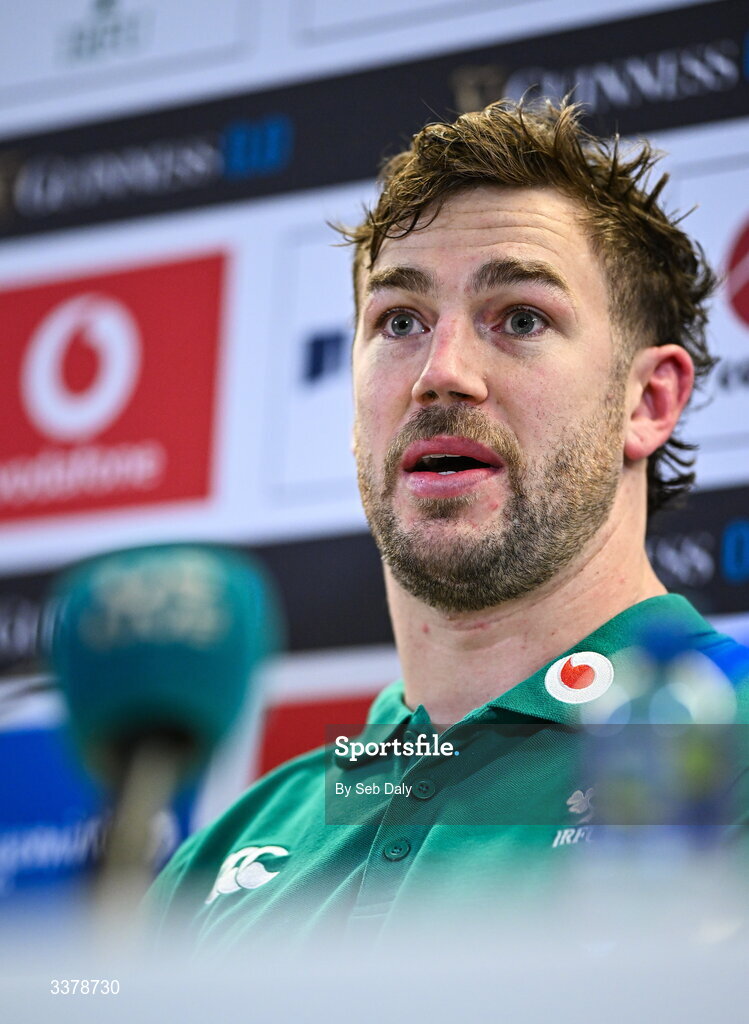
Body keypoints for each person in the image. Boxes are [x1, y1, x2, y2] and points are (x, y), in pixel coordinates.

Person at [148, 98, 749, 950]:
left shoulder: (730, 744)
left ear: (647, 400)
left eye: (521, 318)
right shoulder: (228, 848)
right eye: (399, 321)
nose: (442, 373)